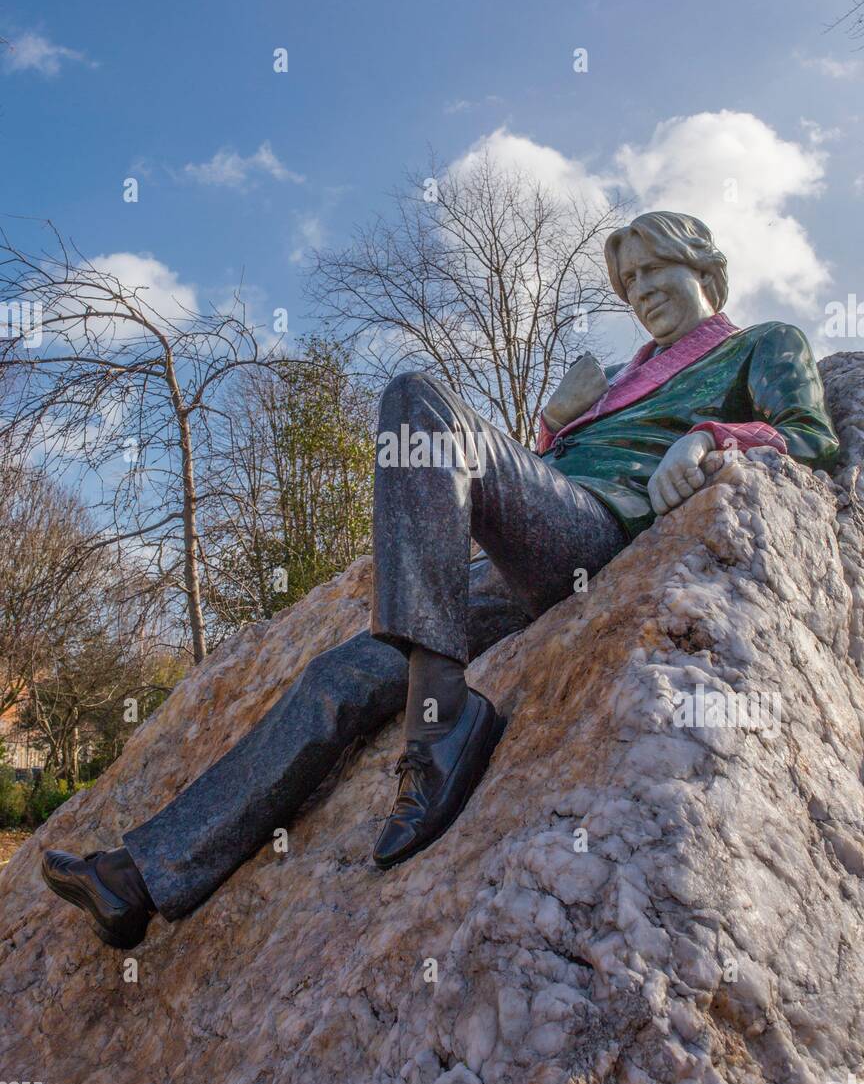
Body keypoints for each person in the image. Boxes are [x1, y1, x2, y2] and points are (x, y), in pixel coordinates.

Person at [42, 212, 839, 949]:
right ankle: (139, 876)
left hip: (604, 536)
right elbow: (526, 482)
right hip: (520, 559)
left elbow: (809, 437)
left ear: (704, 265)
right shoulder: (618, 380)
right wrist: (556, 425)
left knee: (418, 400)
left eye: (656, 271)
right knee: (339, 676)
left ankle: (442, 721)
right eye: (629, 284)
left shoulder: (761, 343)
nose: (641, 294)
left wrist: (708, 439)